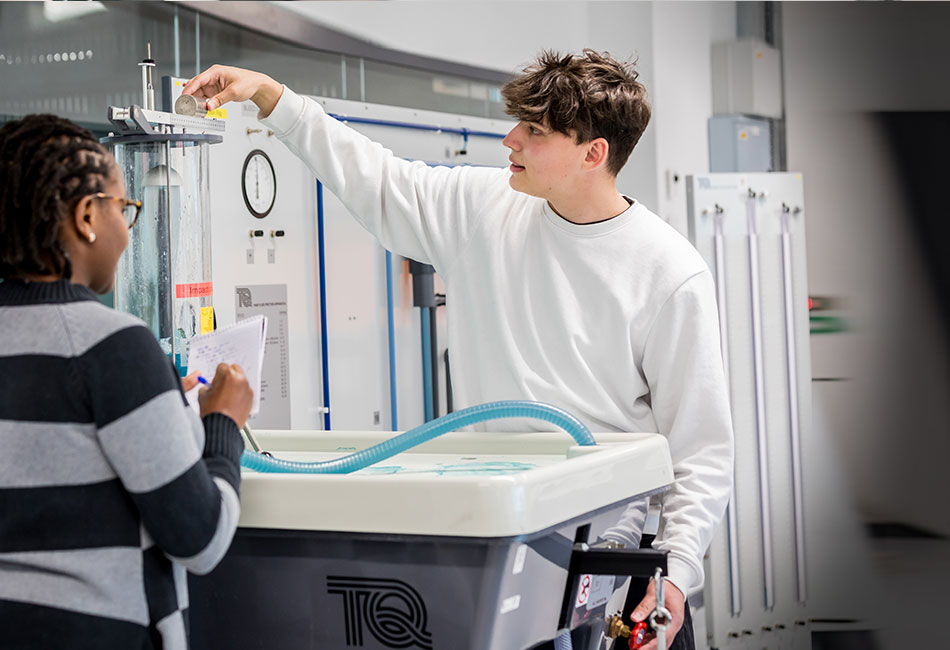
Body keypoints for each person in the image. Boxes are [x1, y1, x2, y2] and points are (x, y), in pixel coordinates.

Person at [182, 49, 733, 650]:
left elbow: (700, 449)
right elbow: (376, 177)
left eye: (535, 131)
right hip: (506, 540)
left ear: (593, 153)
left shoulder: (668, 273)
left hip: (610, 557)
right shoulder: (484, 208)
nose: (510, 140)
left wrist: (677, 572)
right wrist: (272, 97)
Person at [0, 114, 254, 649]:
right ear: (87, 216)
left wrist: (155, 399)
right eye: (124, 208)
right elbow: (200, 537)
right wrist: (222, 423)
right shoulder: (112, 346)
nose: (128, 228)